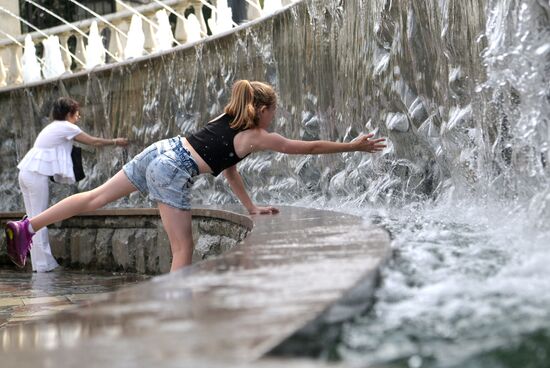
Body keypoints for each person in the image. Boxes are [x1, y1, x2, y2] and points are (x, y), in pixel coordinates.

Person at [5, 81, 386, 273]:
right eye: (274, 110)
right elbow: (309, 148)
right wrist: (351, 146)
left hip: (159, 150)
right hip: (174, 170)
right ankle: (176, 312)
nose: (275, 118)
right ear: (264, 109)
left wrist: (251, 206)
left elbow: (230, 171)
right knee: (183, 249)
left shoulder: (228, 119)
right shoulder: (257, 135)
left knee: (94, 198)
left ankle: (28, 227)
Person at [10, 97, 128, 272]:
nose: (78, 117)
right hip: (35, 175)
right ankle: (43, 265)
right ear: (69, 113)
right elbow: (93, 141)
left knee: (32, 218)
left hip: (26, 173)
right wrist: (116, 142)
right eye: (77, 113)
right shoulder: (67, 127)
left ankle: (39, 264)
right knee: (37, 220)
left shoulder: (52, 126)